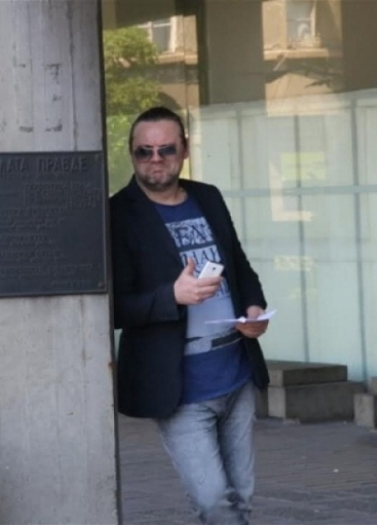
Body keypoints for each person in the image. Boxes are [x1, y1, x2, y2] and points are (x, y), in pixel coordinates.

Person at [110, 107, 270, 525]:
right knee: (215, 502)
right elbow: (111, 307)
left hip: (235, 372)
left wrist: (254, 310)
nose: (155, 159)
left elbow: (239, 267)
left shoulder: (207, 198)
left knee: (241, 499)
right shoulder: (117, 214)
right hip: (179, 387)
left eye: (166, 149)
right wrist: (171, 296)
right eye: (144, 151)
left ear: (184, 150)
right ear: (131, 154)